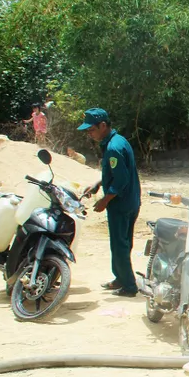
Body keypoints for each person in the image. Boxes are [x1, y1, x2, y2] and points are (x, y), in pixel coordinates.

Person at [79, 108, 141, 297]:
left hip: (121, 204)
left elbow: (120, 181)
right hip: (131, 200)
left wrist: (105, 200)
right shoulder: (117, 141)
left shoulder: (113, 148)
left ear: (103, 126)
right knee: (123, 243)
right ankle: (120, 278)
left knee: (119, 244)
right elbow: (118, 173)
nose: (90, 134)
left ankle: (129, 286)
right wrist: (99, 184)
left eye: (91, 130)